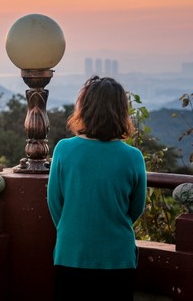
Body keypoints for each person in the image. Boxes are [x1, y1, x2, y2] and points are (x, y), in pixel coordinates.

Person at [47, 75, 147, 301]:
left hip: (71, 253)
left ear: (85, 108)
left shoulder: (64, 149)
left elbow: (55, 203)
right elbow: (136, 208)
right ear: (122, 111)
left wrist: (74, 228)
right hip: (118, 257)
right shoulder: (133, 157)